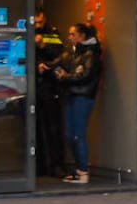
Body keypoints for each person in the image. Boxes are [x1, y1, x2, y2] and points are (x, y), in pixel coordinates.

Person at [56, 22, 102, 184]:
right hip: (72, 95)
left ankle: (83, 172)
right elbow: (62, 65)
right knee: (70, 134)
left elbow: (85, 77)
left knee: (78, 135)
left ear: (82, 36)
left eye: (72, 34)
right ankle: (78, 170)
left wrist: (66, 77)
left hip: (83, 97)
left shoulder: (91, 54)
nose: (69, 37)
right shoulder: (75, 52)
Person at [33, 10, 66, 178]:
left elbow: (61, 55)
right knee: (34, 129)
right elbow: (17, 56)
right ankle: (38, 166)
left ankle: (56, 165)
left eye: (41, 22)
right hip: (32, 86)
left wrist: (43, 46)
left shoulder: (53, 34)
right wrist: (36, 65)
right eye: (36, 22)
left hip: (49, 87)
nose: (38, 25)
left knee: (53, 128)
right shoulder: (23, 33)